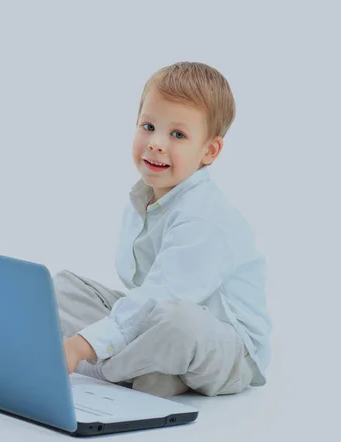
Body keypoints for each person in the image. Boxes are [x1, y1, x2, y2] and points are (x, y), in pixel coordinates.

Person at [54, 61, 272, 397]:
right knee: (63, 288)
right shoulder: (144, 198)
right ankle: (154, 371)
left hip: (229, 352)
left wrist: (81, 346)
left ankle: (105, 369)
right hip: (157, 316)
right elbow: (142, 297)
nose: (156, 143)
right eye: (148, 126)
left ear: (209, 151)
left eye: (178, 134)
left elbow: (162, 297)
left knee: (178, 322)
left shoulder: (205, 216)